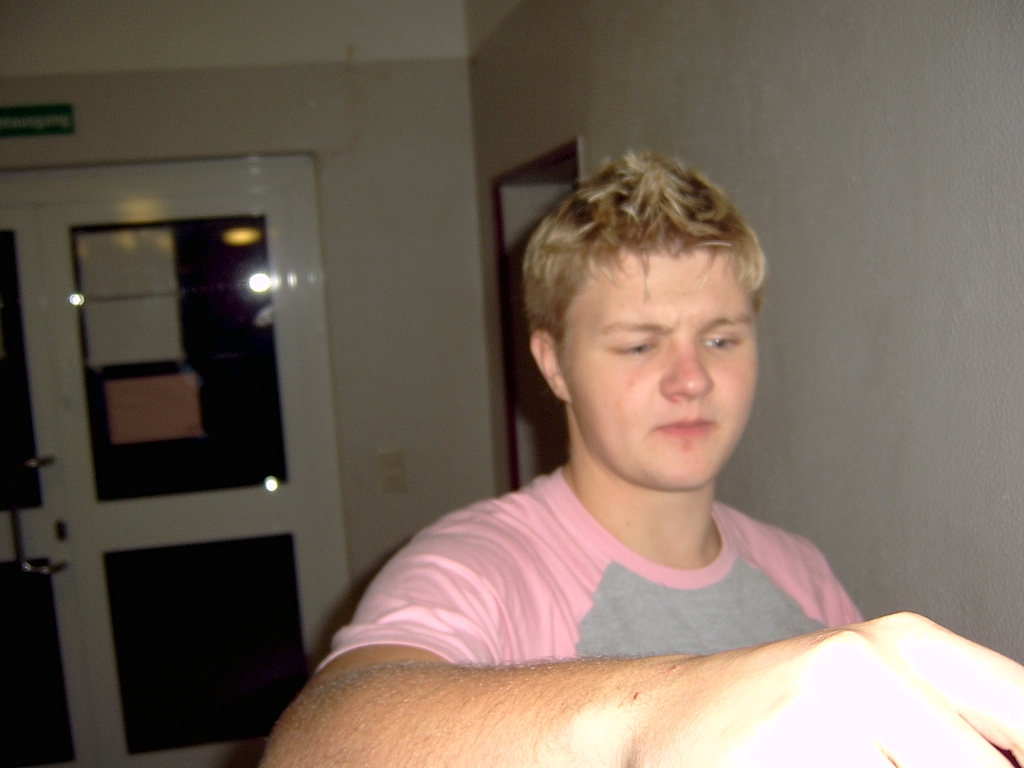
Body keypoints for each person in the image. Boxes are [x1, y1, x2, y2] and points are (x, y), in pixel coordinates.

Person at [261, 153, 1024, 766]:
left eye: (720, 338)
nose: (691, 380)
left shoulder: (800, 568)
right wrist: (663, 718)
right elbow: (311, 747)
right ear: (554, 364)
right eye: (638, 345)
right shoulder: (475, 566)